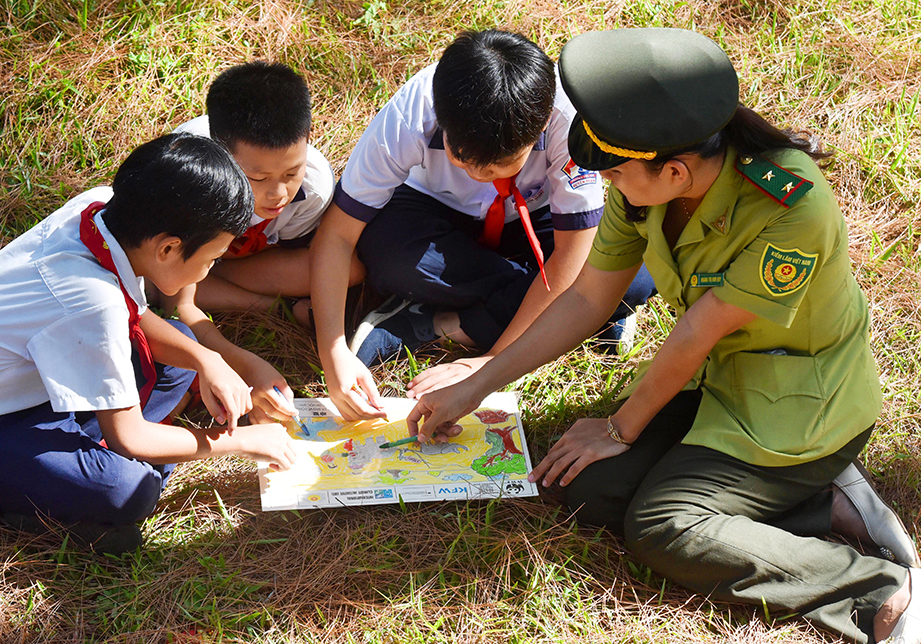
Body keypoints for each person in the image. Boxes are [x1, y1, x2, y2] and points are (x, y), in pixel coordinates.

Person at [407, 28, 920, 644]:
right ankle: (819, 505)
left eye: (617, 174)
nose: (608, 185)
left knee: (662, 528)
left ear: (675, 170)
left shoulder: (790, 208)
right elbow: (590, 298)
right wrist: (478, 385)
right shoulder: (645, 178)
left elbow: (695, 334)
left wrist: (620, 427)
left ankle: (875, 591)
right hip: (713, 383)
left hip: (798, 410)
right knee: (579, 487)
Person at [0, 134, 297, 555]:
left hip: (27, 389)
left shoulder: (99, 210)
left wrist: (208, 359)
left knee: (182, 348)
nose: (208, 272)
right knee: (130, 489)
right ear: (168, 248)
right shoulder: (91, 302)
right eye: (210, 259)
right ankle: (50, 505)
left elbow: (132, 317)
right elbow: (130, 437)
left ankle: (71, 479)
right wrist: (239, 443)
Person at [309, 29, 656, 420]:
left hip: (536, 216)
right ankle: (582, 313)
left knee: (637, 269)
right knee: (387, 253)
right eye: (460, 156)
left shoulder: (568, 120)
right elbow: (338, 234)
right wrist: (333, 349)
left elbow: (573, 248)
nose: (476, 173)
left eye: (495, 166)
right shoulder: (411, 112)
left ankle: (450, 320)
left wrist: (491, 361)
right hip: (435, 211)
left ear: (540, 128)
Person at [169, 61, 360, 422]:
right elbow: (176, 301)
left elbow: (294, 253)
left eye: (291, 172)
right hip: (181, 269)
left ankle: (220, 282)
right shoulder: (187, 184)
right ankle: (272, 304)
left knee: (347, 268)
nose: (278, 193)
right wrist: (246, 354)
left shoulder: (313, 188)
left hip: (235, 264)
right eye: (256, 177)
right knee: (166, 287)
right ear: (221, 153)